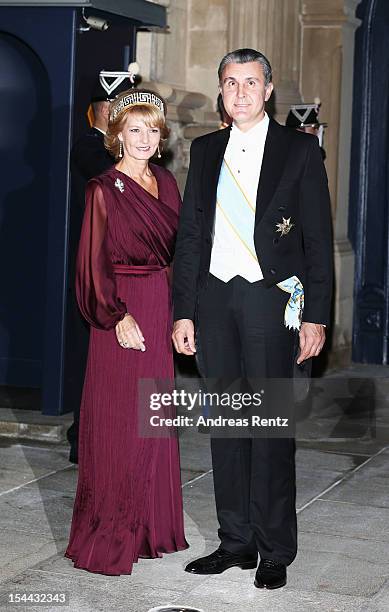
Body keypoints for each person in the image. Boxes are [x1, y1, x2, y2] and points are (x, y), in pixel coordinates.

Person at [172, 49, 333, 590]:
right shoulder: (205, 149)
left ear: (268, 90)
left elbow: (317, 242)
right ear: (220, 91)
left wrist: (316, 316)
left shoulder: (299, 151)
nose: (240, 92)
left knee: (268, 429)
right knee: (227, 428)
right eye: (230, 83)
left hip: (271, 303)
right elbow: (191, 236)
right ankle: (235, 542)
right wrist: (183, 311)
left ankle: (273, 548)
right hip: (215, 302)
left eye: (251, 82)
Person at [65, 88, 188, 575]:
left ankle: (151, 527)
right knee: (120, 420)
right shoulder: (101, 188)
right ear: (117, 135)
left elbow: (180, 256)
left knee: (153, 417)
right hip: (119, 310)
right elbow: (89, 266)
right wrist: (116, 316)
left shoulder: (166, 183)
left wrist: (183, 314)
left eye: (152, 130)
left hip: (160, 303)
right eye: (134, 129)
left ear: (160, 138)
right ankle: (112, 531)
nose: (144, 138)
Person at [66, 70, 136, 464]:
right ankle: (83, 437)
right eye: (120, 108)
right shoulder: (90, 147)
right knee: (89, 354)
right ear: (105, 110)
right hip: (93, 267)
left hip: (119, 267)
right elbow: (113, 179)